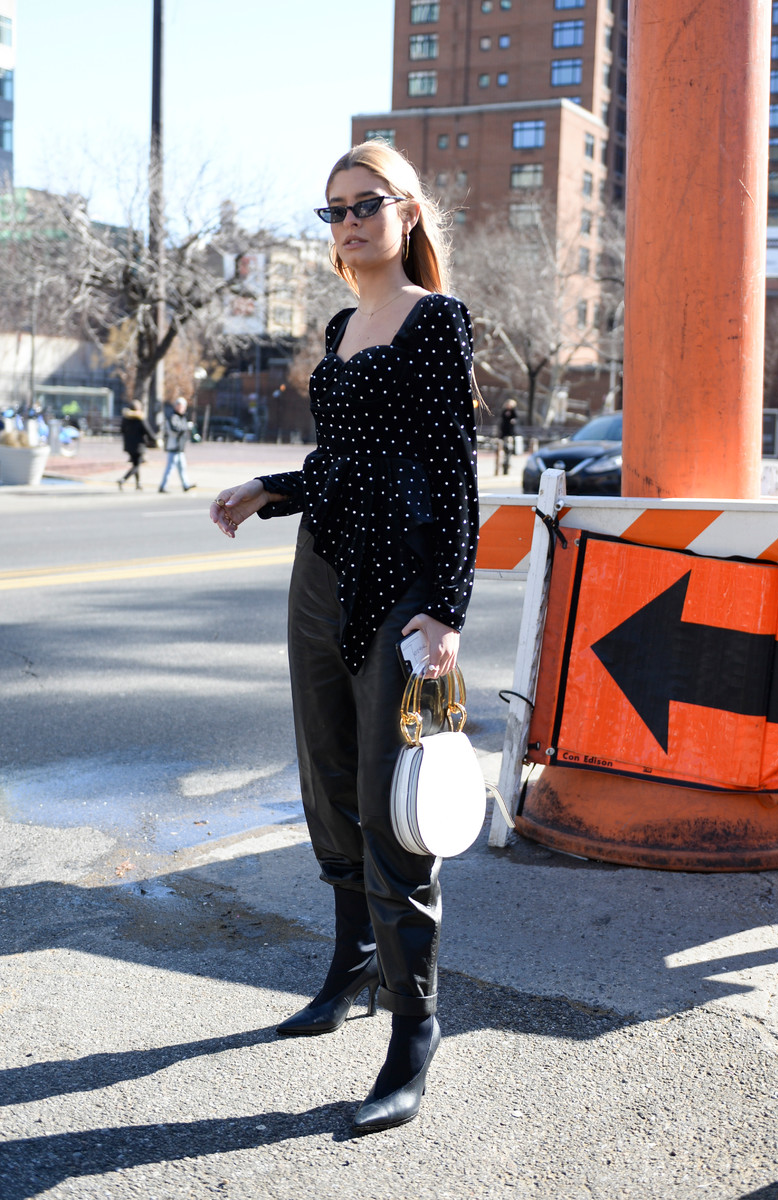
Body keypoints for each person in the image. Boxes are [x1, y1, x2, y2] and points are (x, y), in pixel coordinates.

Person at [210, 140, 479, 1134]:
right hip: (319, 574)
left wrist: (446, 608)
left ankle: (415, 1028)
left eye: (368, 203)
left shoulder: (434, 319)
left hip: (399, 588)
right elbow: (347, 462)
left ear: (407, 213)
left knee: (392, 807)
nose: (350, 221)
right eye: (335, 208)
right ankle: (352, 965)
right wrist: (270, 487)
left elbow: (451, 470)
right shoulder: (340, 324)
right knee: (328, 783)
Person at [158, 397, 196, 493]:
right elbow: (175, 429)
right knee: (170, 467)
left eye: (183, 406)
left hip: (180, 447)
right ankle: (163, 486)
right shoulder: (173, 417)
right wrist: (186, 426)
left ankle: (185, 485)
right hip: (174, 446)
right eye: (179, 406)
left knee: (182, 467)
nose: (181, 408)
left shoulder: (182, 417)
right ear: (176, 406)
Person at [118, 399, 157, 491]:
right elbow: (148, 431)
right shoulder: (140, 418)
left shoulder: (126, 418)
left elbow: (122, 430)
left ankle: (138, 484)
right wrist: (155, 440)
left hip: (129, 446)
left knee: (135, 463)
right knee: (136, 465)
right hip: (139, 446)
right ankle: (123, 479)